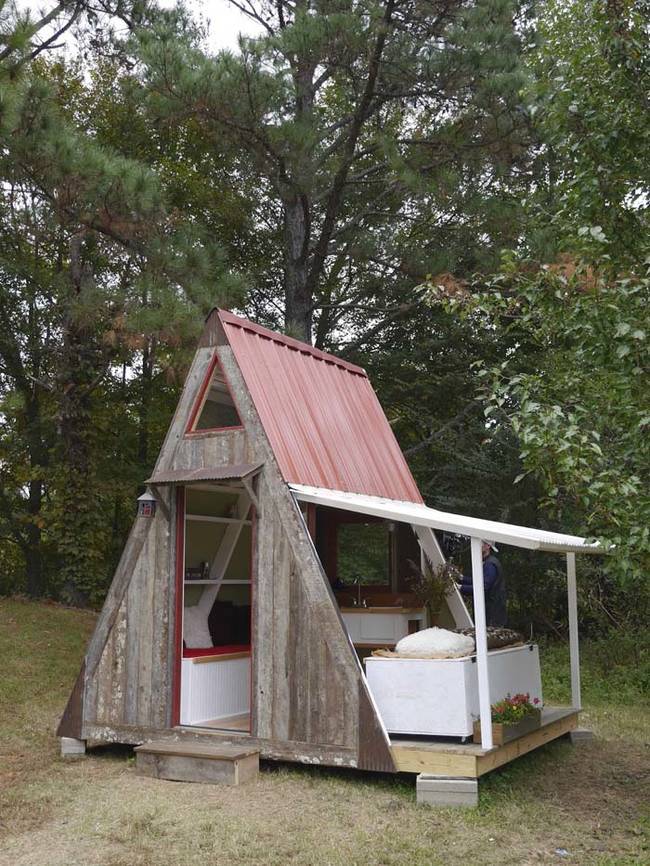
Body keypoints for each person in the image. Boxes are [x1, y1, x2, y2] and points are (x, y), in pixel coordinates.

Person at [457, 540, 507, 627]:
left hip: (491, 615)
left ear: (487, 546)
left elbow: (482, 588)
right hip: (489, 613)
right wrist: (462, 578)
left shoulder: (490, 565)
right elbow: (479, 581)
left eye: (479, 544)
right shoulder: (487, 562)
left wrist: (460, 587)